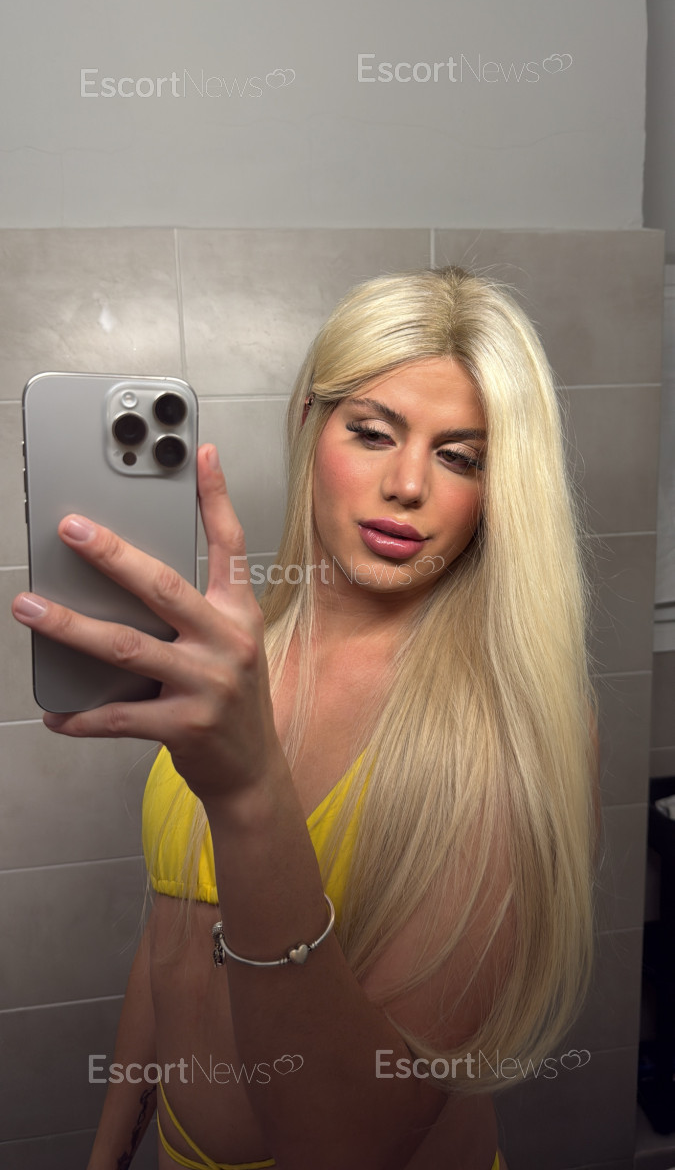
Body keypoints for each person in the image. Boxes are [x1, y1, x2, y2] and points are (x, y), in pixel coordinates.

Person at [12, 266, 600, 1170]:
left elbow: (347, 1146)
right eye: (372, 433)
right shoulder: (240, 662)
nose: (407, 484)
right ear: (307, 425)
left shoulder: (506, 730)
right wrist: (108, 1153)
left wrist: (250, 789)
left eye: (460, 457)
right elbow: (173, 942)